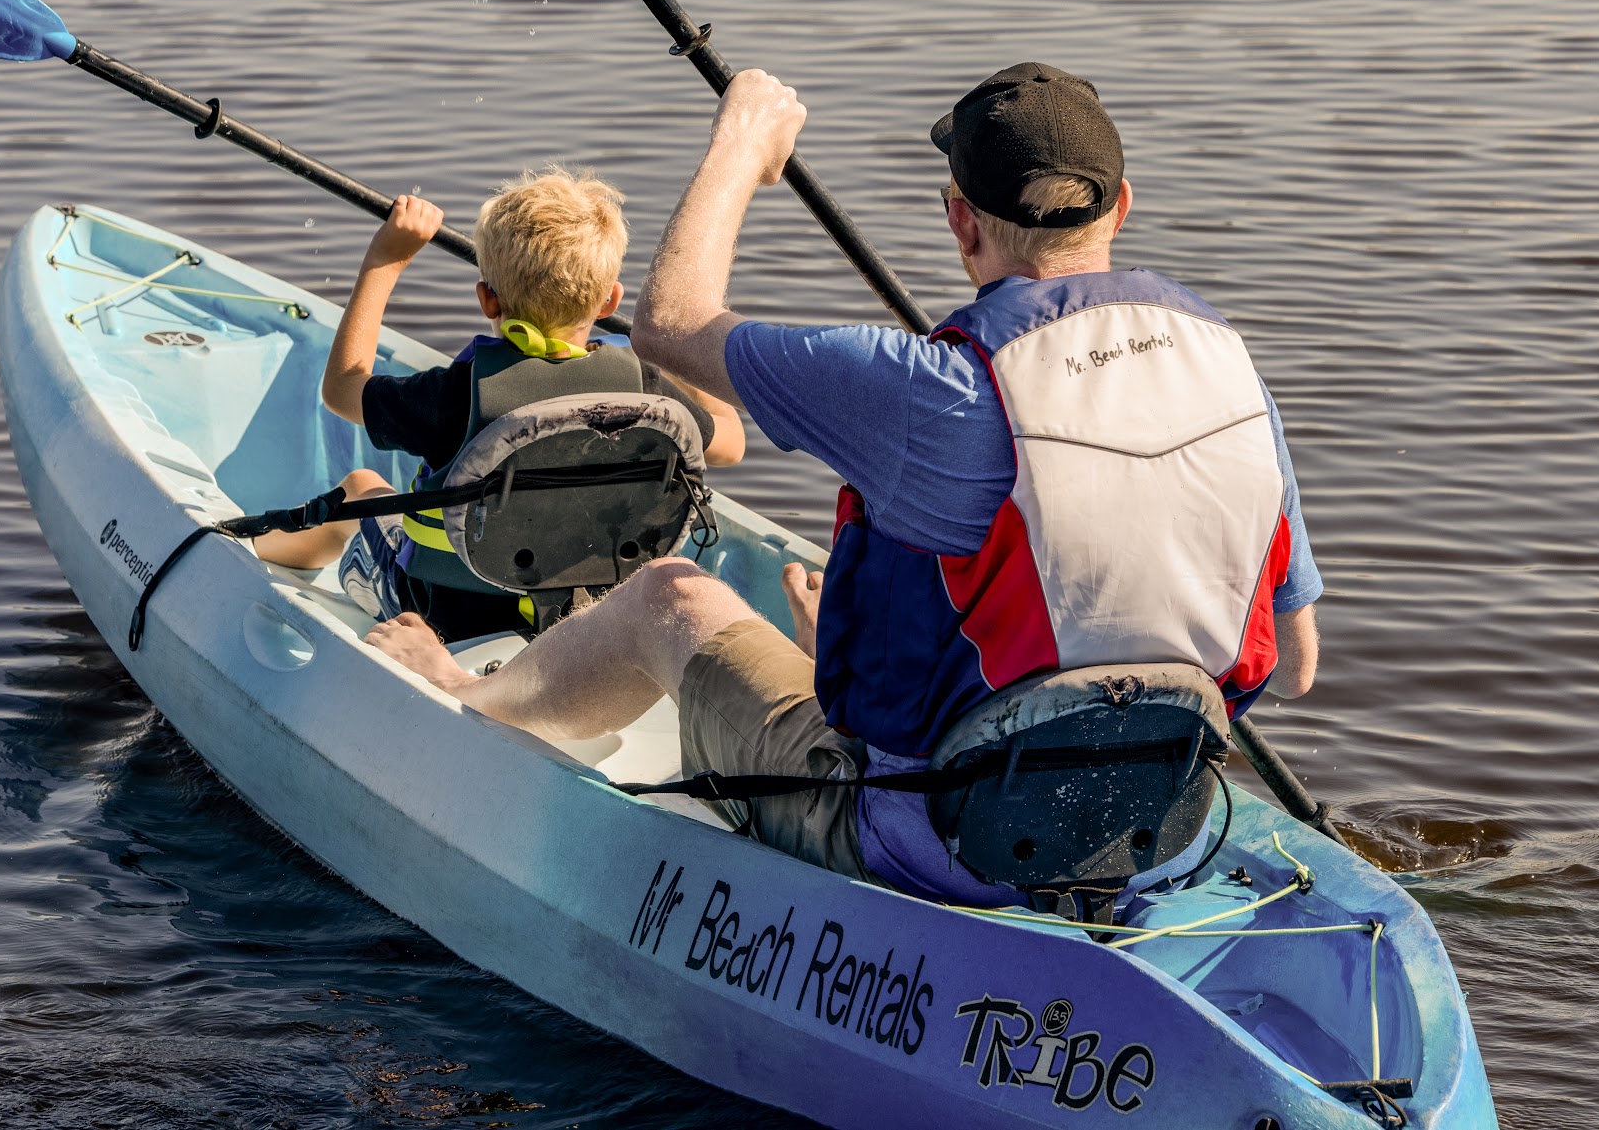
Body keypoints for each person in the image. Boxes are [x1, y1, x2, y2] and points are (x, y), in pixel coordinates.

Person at [365, 67, 1320, 903]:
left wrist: (743, 141)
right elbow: (1295, 652)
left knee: (664, 596)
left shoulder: (925, 387)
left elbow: (666, 324)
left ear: (958, 219)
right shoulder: (1235, 373)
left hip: (928, 842)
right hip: (1158, 828)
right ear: (1120, 207)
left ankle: (464, 693)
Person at [253, 167, 745, 638]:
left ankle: (260, 552)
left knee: (363, 487)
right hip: (586, 617)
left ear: (487, 299)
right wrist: (664, 345)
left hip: (443, 614)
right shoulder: (645, 390)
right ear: (610, 301)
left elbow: (342, 389)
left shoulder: (459, 394)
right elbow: (732, 443)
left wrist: (386, 260)